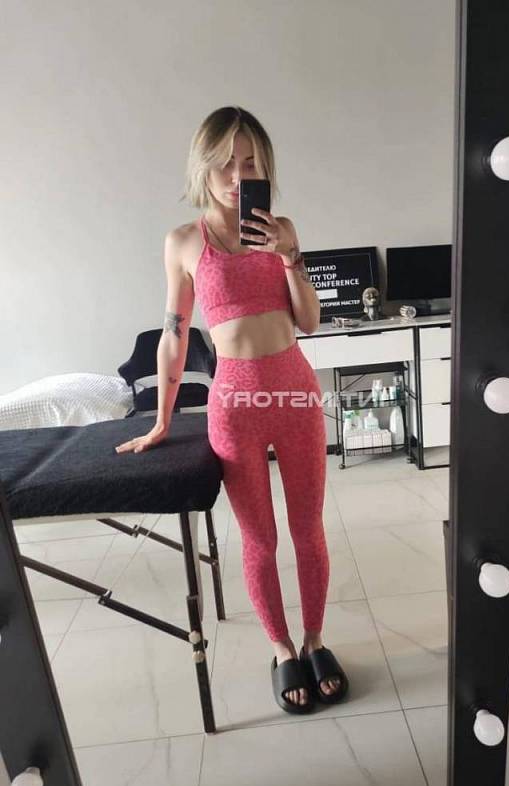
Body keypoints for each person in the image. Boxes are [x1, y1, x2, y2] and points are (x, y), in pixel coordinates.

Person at [115, 106, 348, 714]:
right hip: (234, 403)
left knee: (308, 529)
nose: (238, 175)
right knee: (259, 538)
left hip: (295, 391)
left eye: (250, 163)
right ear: (203, 165)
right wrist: (162, 419)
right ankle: (281, 648)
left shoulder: (280, 228)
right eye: (225, 163)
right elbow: (174, 336)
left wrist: (291, 255)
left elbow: (309, 321)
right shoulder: (184, 243)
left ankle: (315, 640)